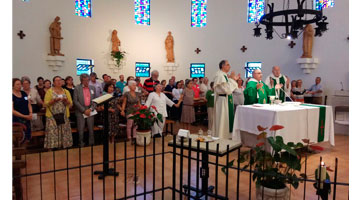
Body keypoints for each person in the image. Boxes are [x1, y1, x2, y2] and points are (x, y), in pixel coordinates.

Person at [44, 76, 73, 149]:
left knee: (63, 131)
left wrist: (66, 101)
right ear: (53, 82)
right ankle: (52, 147)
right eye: (57, 80)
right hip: (52, 116)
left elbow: (70, 104)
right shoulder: (49, 91)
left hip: (64, 115)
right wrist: (53, 101)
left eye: (60, 80)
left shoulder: (66, 91)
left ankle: (63, 146)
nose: (59, 82)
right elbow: (45, 104)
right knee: (53, 132)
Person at [213, 60, 240, 139]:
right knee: (222, 119)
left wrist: (231, 79)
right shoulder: (220, 76)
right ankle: (221, 136)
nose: (229, 66)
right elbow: (227, 89)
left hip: (226, 99)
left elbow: (229, 88)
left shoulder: (224, 75)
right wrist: (233, 79)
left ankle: (226, 136)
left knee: (226, 119)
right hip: (222, 100)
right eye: (228, 65)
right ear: (222, 66)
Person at [73, 73, 97, 147]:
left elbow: (95, 100)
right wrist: (84, 110)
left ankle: (91, 143)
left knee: (91, 129)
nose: (87, 82)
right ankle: (81, 143)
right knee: (81, 129)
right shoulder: (77, 88)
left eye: (88, 80)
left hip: (90, 110)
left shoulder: (92, 88)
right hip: (81, 111)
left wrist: (90, 109)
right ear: (81, 81)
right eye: (85, 81)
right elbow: (75, 101)